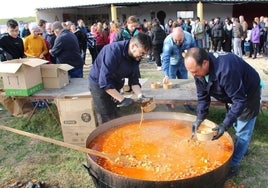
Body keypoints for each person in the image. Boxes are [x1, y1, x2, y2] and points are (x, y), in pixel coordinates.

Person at [184, 47, 261, 178]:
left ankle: (233, 165)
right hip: (233, 94)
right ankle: (242, 148)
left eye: (195, 72)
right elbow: (202, 96)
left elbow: (239, 100)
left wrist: (224, 125)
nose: (193, 75)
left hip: (248, 94)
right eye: (191, 72)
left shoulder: (226, 70)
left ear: (205, 63)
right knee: (236, 121)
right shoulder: (198, 71)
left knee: (243, 131)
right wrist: (199, 118)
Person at [88, 33, 152, 124]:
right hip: (98, 83)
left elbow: (134, 80)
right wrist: (122, 99)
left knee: (115, 112)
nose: (143, 57)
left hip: (115, 82)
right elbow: (104, 82)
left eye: (145, 54)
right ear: (133, 46)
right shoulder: (113, 51)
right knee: (105, 115)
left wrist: (140, 96)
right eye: (142, 53)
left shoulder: (136, 57)